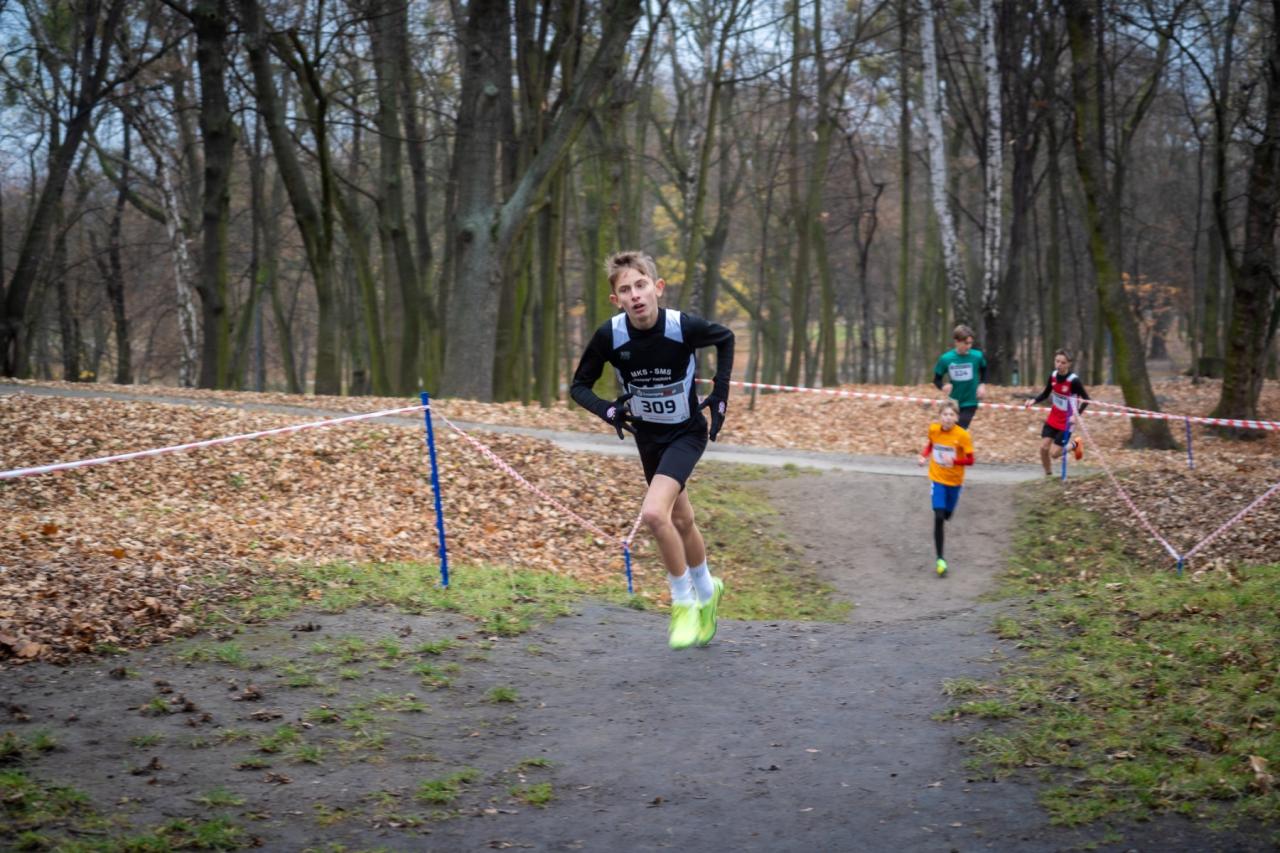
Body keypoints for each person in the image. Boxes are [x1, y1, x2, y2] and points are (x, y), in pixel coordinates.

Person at [570, 250, 735, 650]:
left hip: (686, 433)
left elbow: (726, 338)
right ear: (617, 300)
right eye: (625, 290)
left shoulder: (682, 327)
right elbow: (579, 386)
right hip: (648, 437)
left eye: (641, 285)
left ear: (657, 288)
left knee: (653, 514)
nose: (635, 296)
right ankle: (709, 593)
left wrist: (721, 392)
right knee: (682, 520)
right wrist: (609, 410)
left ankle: (683, 605)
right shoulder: (611, 336)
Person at [917, 399, 975, 577]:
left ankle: (940, 556)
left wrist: (955, 461)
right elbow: (931, 444)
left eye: (951, 415)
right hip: (938, 479)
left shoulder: (962, 436)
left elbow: (971, 460)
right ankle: (940, 558)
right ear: (940, 416)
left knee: (948, 515)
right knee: (939, 515)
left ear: (957, 417)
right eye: (945, 414)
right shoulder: (934, 429)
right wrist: (923, 456)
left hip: (955, 482)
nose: (948, 418)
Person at [1023, 349, 1090, 476]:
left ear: (1069, 364)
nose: (1059, 365)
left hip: (1067, 421)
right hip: (1053, 417)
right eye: (1057, 361)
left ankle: (1076, 444)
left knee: (1054, 454)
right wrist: (1033, 401)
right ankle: (1048, 475)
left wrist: (1076, 416)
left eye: (1063, 363)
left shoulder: (1073, 380)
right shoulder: (1053, 376)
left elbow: (1087, 400)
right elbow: (1045, 393)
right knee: (1043, 448)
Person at [933, 325, 988, 429]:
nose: (969, 346)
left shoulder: (977, 356)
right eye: (966, 343)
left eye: (970, 343)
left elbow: (984, 369)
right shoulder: (946, 359)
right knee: (950, 431)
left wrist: (982, 384)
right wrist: (943, 386)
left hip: (970, 401)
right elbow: (936, 379)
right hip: (953, 403)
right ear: (957, 342)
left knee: (958, 429)